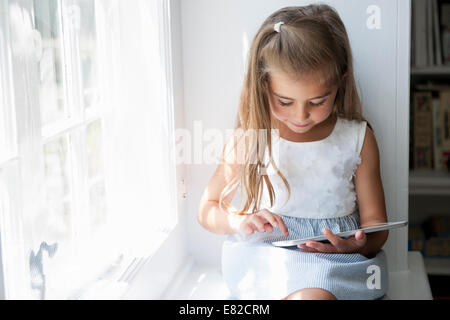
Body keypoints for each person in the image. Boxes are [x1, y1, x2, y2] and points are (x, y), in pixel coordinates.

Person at [197, 3, 389, 300]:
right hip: (269, 256)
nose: (301, 116)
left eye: (317, 101)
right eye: (285, 102)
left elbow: (378, 226)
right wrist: (237, 221)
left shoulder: (358, 138)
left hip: (336, 260)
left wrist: (359, 245)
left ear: (341, 82)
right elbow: (207, 207)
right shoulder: (252, 137)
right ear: (263, 87)